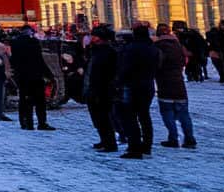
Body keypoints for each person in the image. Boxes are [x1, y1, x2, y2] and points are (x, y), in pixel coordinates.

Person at [116, 23, 158, 159]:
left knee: (130, 117)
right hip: (148, 84)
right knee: (145, 116)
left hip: (132, 85)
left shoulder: (131, 49)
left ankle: (134, 147)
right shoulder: (153, 48)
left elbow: (125, 68)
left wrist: (119, 82)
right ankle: (147, 146)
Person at [153, 24, 196, 149]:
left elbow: (157, 64)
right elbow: (185, 60)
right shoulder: (178, 46)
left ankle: (173, 138)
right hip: (179, 82)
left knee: (167, 112)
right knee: (184, 114)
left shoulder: (158, 47)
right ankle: (190, 138)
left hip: (164, 83)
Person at [9, 25, 54, 131]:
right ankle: (42, 123)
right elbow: (39, 59)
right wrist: (48, 74)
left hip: (22, 76)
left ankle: (26, 123)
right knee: (40, 101)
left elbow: (13, 60)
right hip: (35, 75)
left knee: (24, 100)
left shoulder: (15, 43)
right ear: (30, 32)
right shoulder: (34, 42)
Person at [84, 26, 119, 152]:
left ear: (100, 38)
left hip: (102, 89)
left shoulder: (107, 52)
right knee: (98, 118)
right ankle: (104, 140)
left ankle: (110, 143)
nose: (91, 38)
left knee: (103, 118)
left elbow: (105, 73)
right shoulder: (96, 51)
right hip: (94, 88)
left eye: (94, 36)